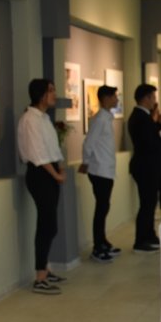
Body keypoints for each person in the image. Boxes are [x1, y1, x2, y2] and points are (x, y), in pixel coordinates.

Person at [18, 78, 67, 294]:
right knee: (46, 225)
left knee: (50, 225)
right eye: (51, 91)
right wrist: (55, 174)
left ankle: (45, 269)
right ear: (41, 94)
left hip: (50, 172)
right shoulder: (30, 119)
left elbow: (52, 147)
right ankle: (40, 277)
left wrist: (60, 168)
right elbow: (37, 153)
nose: (54, 94)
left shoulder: (44, 118)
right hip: (40, 174)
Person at [79, 84, 119, 263]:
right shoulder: (100, 119)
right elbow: (88, 143)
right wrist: (86, 162)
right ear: (105, 98)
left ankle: (103, 241)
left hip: (106, 170)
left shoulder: (107, 118)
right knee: (101, 208)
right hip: (99, 170)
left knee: (104, 207)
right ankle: (97, 247)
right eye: (114, 96)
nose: (117, 99)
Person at [128, 83, 161, 252]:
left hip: (149, 167)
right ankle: (141, 240)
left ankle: (149, 234)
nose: (155, 101)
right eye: (153, 97)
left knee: (151, 202)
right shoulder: (140, 117)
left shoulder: (145, 117)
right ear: (146, 98)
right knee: (146, 203)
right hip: (145, 167)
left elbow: (152, 135)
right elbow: (149, 143)